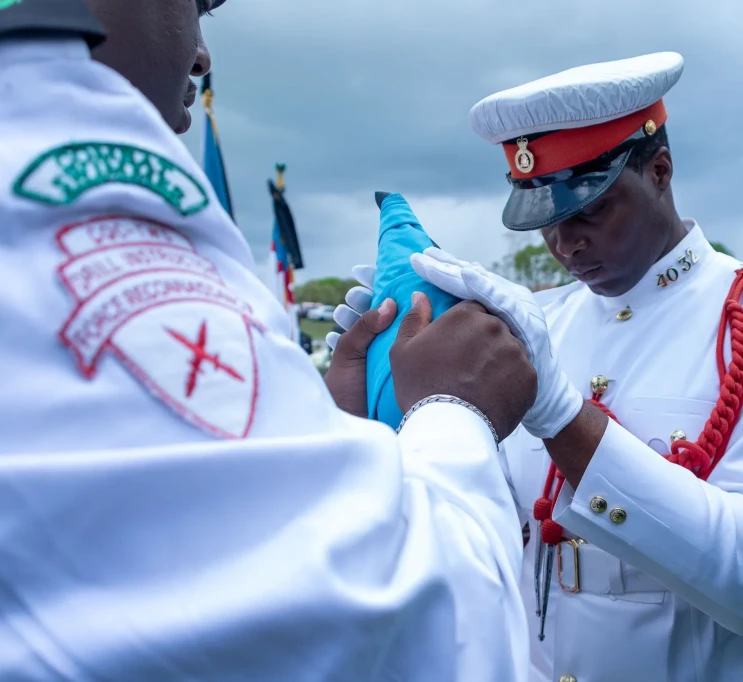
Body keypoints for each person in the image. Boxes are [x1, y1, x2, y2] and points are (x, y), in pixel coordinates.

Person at [0, 2, 540, 680]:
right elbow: (410, 630)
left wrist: (334, 430)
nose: (200, 54)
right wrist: (455, 411)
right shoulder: (44, 178)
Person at [336, 52, 743, 681]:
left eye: (588, 211)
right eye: (547, 222)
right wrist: (369, 406)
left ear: (660, 171)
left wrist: (563, 416)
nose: (565, 244)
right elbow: (472, 526)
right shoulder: (538, 323)